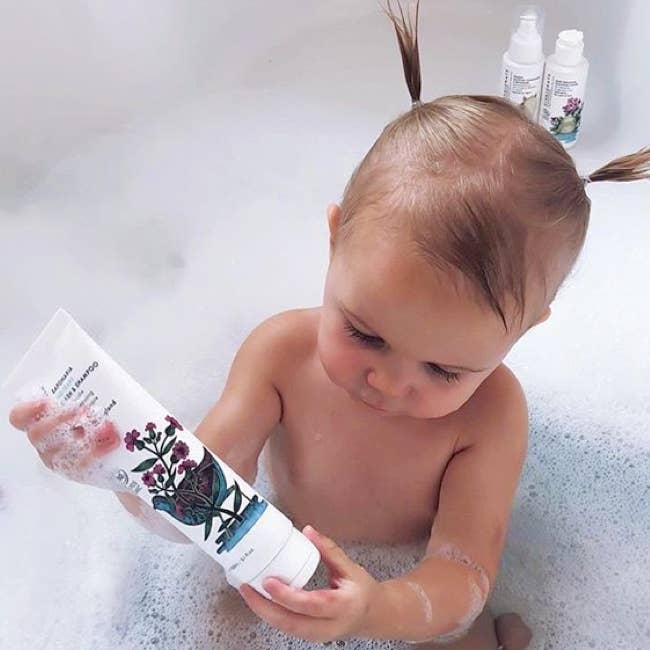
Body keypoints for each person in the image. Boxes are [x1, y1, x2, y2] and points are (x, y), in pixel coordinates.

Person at [9, 2, 649, 647]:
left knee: (469, 637)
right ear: (336, 239)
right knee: (211, 626)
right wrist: (117, 466)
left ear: (525, 333)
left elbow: (460, 575)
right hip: (279, 561)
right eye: (365, 334)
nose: (390, 382)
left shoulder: (492, 412)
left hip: (408, 599)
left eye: (445, 369)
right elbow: (189, 506)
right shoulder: (279, 354)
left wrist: (376, 608)